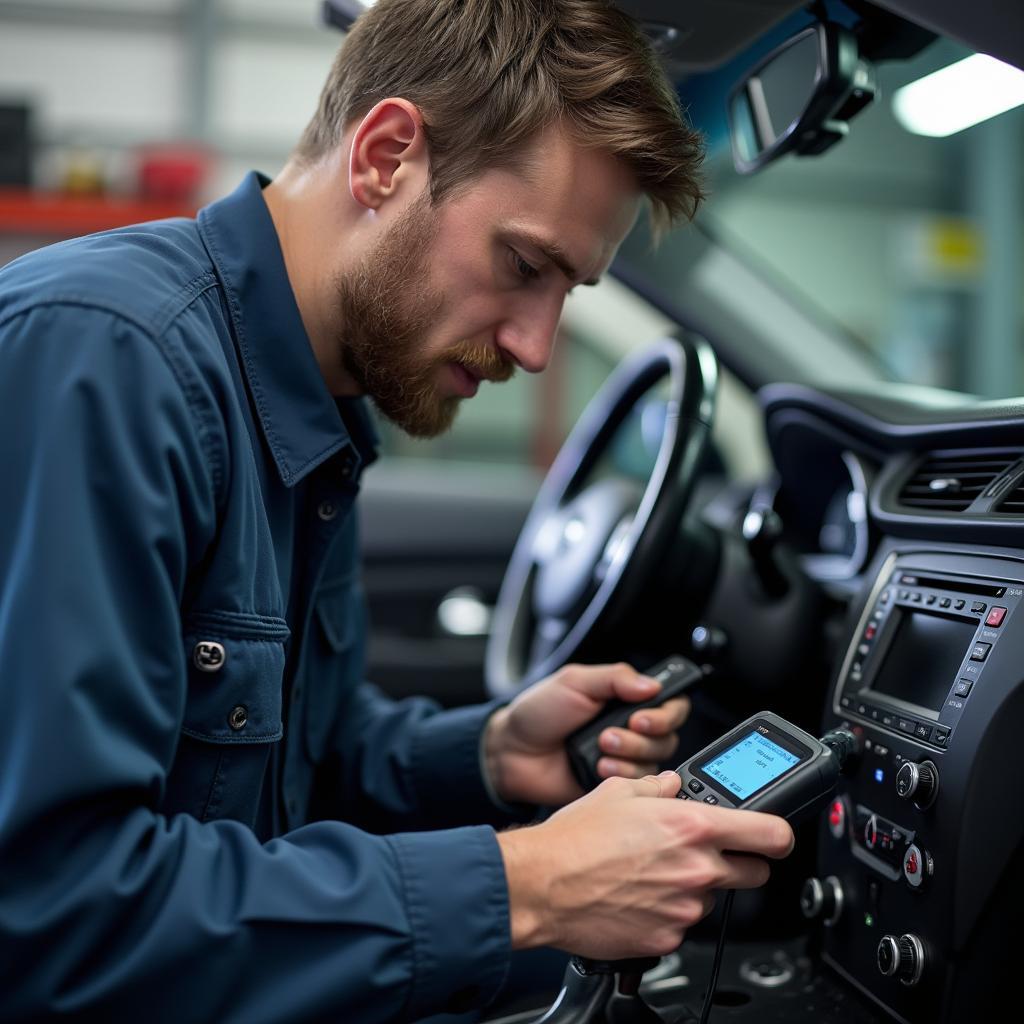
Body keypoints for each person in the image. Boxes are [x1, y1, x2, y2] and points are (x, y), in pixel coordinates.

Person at [0, 1, 794, 1021]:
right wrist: (531, 885)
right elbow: (51, 910)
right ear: (384, 158)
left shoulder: (314, 404)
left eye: (568, 291)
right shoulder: (104, 366)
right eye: (524, 265)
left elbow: (286, 771)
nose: (538, 345)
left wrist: (488, 754)